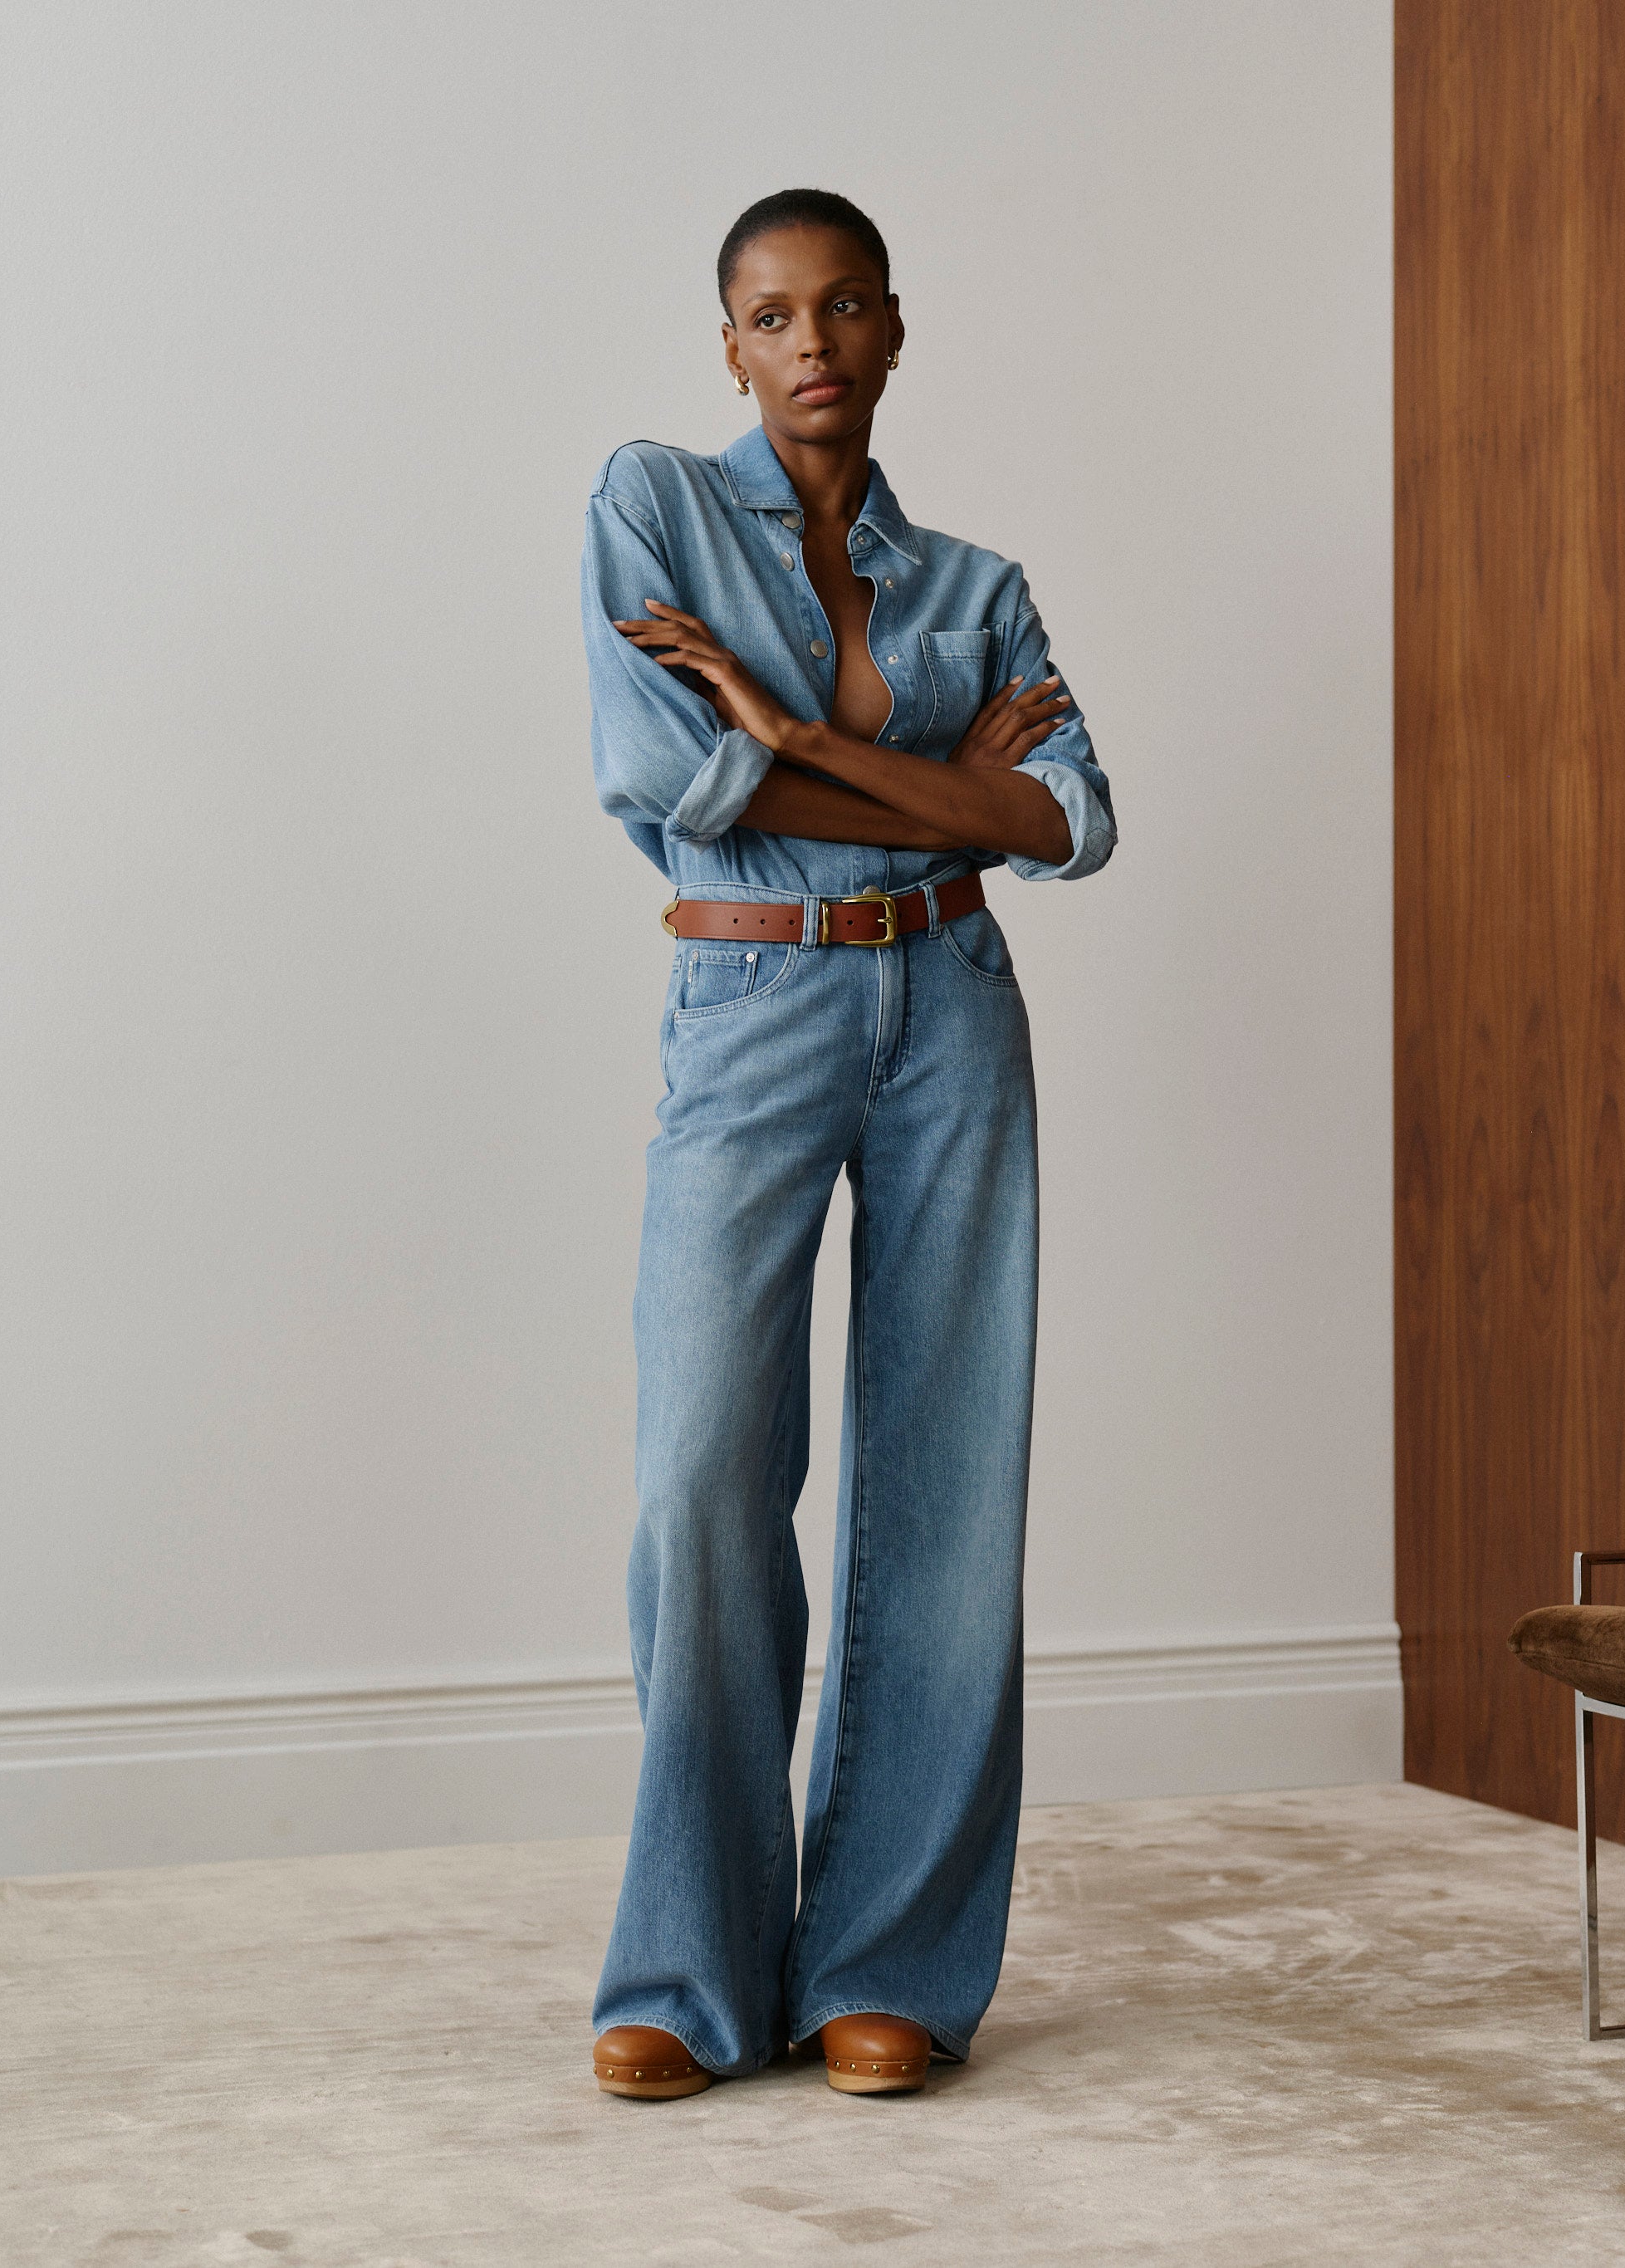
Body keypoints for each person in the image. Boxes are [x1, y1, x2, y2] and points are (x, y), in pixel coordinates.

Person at [580, 188, 1116, 2101]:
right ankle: (688, 1969)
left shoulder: (972, 579)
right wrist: (943, 789)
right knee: (706, 1471)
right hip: (751, 1009)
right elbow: (666, 779)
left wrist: (780, 732)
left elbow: (1068, 821)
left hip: (952, 1014)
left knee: (948, 1485)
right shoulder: (648, 506)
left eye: (845, 307)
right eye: (770, 313)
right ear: (728, 342)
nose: (810, 341)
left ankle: (888, 1959)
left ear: (895, 330)